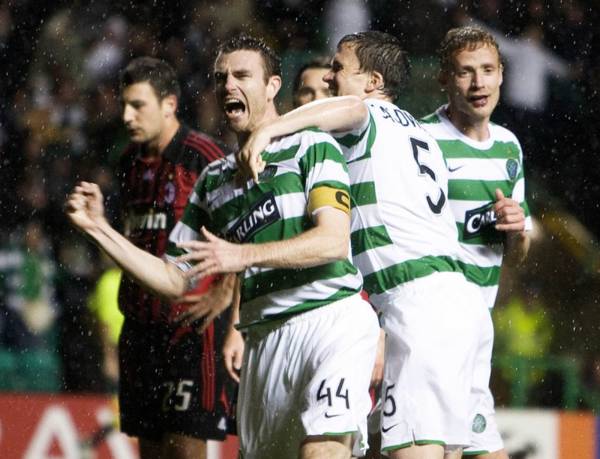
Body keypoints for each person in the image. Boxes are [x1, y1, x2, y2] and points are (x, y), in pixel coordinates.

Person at [66, 35, 379, 459]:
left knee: (322, 451)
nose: (228, 84)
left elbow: (332, 240)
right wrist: (99, 229)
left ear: (271, 86)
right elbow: (174, 278)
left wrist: (242, 255)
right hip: (264, 340)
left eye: (242, 75)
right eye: (221, 77)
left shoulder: (311, 145)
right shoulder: (213, 181)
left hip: (329, 321)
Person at [237, 31, 490, 459]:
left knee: (412, 451)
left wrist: (270, 129)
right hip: (462, 304)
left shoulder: (367, 113)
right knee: (449, 451)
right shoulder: (424, 136)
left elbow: (352, 108)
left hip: (416, 300)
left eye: (339, 67)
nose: (330, 76)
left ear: (373, 82)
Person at [86, 56, 234, 459]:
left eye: (138, 105)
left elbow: (245, 225)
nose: (127, 116)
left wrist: (225, 296)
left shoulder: (205, 156)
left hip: (188, 329)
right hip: (139, 332)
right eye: (123, 105)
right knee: (150, 452)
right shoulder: (127, 164)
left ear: (169, 104)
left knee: (184, 449)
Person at [420, 26, 533, 459]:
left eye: (487, 70)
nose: (478, 83)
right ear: (444, 80)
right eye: (465, 73)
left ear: (502, 74)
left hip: (477, 322)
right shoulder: (422, 140)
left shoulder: (509, 147)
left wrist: (514, 228)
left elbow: (516, 256)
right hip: (436, 322)